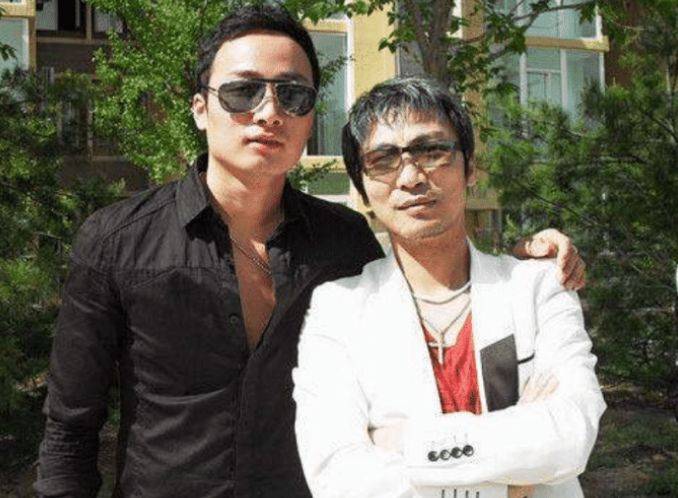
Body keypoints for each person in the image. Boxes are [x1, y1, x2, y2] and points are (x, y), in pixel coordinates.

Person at [35, 5, 585, 498]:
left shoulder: (342, 241)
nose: (268, 111)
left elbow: (426, 274)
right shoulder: (117, 241)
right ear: (200, 108)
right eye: (243, 92)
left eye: (292, 94)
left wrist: (515, 266)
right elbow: (69, 427)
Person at [293, 76, 605, 498]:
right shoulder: (338, 310)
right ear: (362, 189)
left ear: (470, 167)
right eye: (383, 159)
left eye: (431, 151)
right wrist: (511, 485)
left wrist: (406, 444)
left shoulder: (537, 287)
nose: (410, 177)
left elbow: (571, 434)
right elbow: (339, 479)